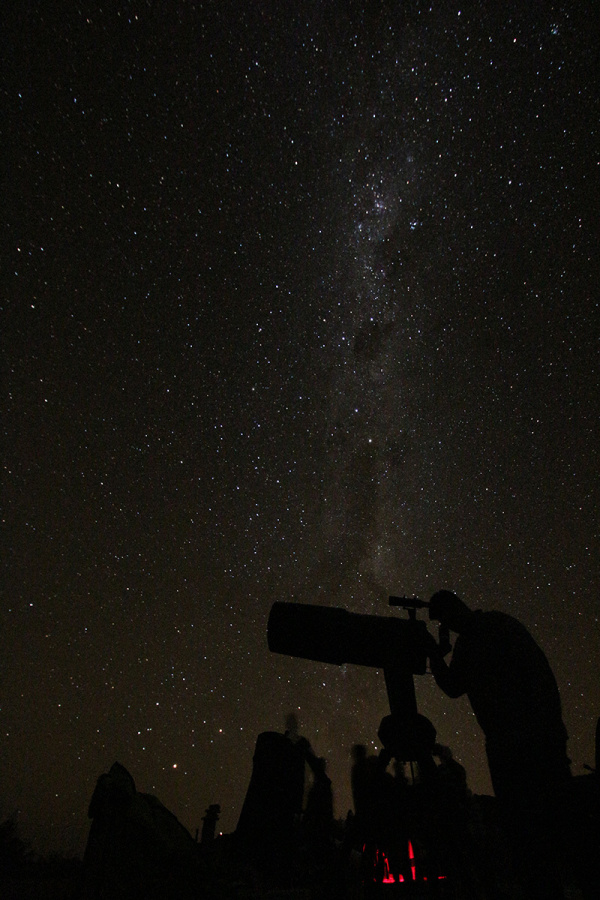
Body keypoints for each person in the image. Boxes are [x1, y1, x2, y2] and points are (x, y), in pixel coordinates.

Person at [426, 590, 571, 899]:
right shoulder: (499, 625)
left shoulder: (476, 639)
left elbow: (452, 686)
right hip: (535, 740)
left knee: (528, 833)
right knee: (545, 834)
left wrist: (435, 653)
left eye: (444, 619)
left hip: (516, 747)